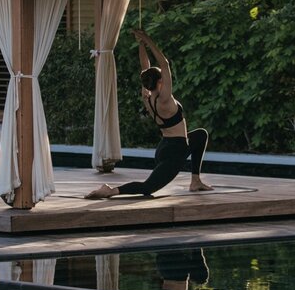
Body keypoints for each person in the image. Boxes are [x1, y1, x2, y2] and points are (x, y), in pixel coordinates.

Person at [85, 28, 212, 199]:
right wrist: (147, 38)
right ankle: (111, 190)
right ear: (161, 81)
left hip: (166, 147)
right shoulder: (165, 99)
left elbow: (145, 67)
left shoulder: (147, 96)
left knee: (201, 135)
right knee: (148, 188)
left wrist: (141, 45)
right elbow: (165, 64)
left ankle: (195, 180)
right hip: (175, 151)